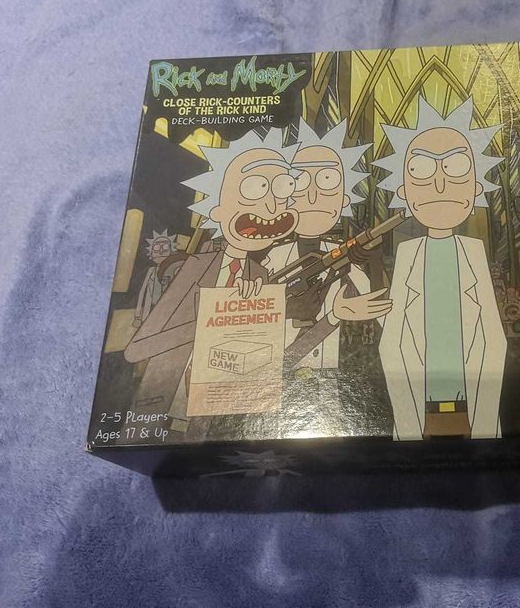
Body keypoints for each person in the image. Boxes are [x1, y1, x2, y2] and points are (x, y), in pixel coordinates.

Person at [123, 128, 300, 428]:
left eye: (282, 191)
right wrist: (211, 320)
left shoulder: (260, 278)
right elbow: (135, 349)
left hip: (217, 421)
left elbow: (264, 364)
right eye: (255, 189)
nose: (271, 207)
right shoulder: (194, 267)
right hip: (161, 414)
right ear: (217, 209)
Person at [373, 96, 507, 440]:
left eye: (456, 167)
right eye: (421, 170)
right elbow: (392, 342)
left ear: (476, 188)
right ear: (404, 191)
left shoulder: (474, 251)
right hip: (419, 407)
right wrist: (408, 425)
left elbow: (493, 337)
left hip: (472, 404)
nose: (439, 184)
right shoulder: (408, 254)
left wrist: (485, 425)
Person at [260, 119, 391, 434]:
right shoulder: (271, 260)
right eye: (300, 181)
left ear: (343, 199)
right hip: (272, 393)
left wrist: (373, 262)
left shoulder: (343, 258)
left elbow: (383, 308)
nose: (313, 194)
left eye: (328, 181)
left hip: (329, 388)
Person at [133, 230, 177, 328]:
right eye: (157, 248)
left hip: (166, 309)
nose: (161, 251)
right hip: (150, 309)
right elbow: (142, 292)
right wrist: (137, 316)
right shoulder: (151, 270)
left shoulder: (173, 270)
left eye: (165, 247)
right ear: (151, 252)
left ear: (171, 251)